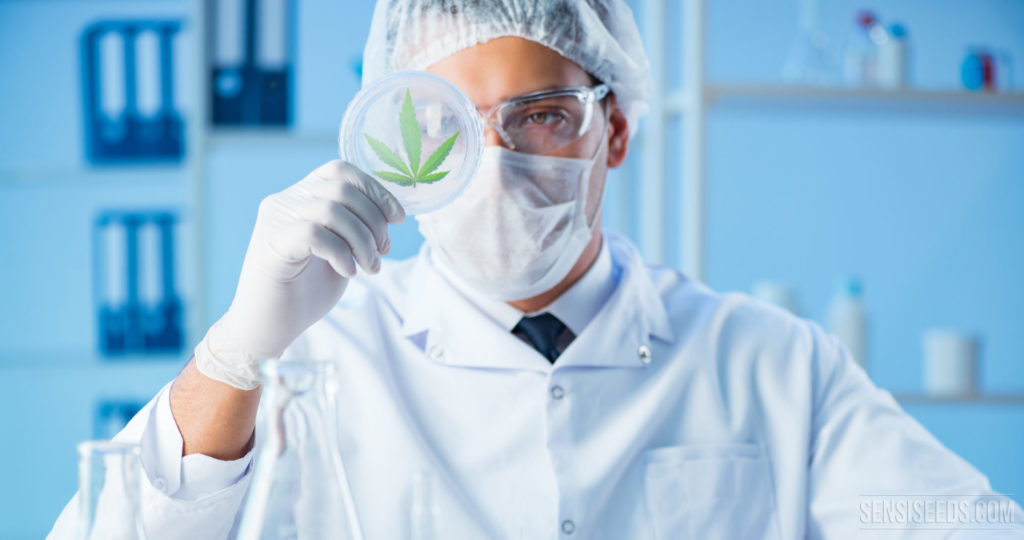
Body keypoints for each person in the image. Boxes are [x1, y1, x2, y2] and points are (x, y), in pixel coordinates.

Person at [51, 1, 1024, 538]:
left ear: (616, 129)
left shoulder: (769, 364)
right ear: (397, 140)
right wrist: (233, 356)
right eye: (446, 124)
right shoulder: (317, 360)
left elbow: (950, 522)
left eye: (542, 115)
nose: (498, 161)